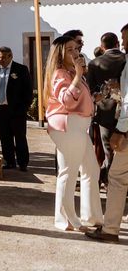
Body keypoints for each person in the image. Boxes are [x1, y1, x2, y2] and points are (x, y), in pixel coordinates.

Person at [44, 36, 103, 231]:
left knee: (91, 170)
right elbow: (67, 101)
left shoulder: (70, 72)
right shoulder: (62, 73)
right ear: (60, 53)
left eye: (75, 48)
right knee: (69, 173)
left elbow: (78, 100)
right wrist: (78, 75)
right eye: (69, 49)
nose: (75, 52)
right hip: (69, 125)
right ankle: (67, 220)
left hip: (77, 126)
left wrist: (94, 98)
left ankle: (92, 216)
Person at [86, 23, 128, 243]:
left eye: (126, 38)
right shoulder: (124, 61)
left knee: (117, 177)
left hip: (115, 121)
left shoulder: (96, 63)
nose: (123, 43)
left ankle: (110, 230)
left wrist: (121, 130)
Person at [86, 32, 126, 186]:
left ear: (102, 46)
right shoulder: (126, 59)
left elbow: (90, 90)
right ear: (117, 43)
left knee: (109, 150)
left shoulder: (95, 63)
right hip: (125, 111)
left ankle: (110, 183)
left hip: (105, 113)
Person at [0, 46, 33, 170]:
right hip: (0, 109)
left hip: (17, 109)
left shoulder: (21, 69)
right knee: (4, 137)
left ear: (10, 56)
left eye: (3, 58)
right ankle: (9, 161)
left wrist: (24, 107)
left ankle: (22, 163)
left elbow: (28, 90)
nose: (1, 60)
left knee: (20, 136)